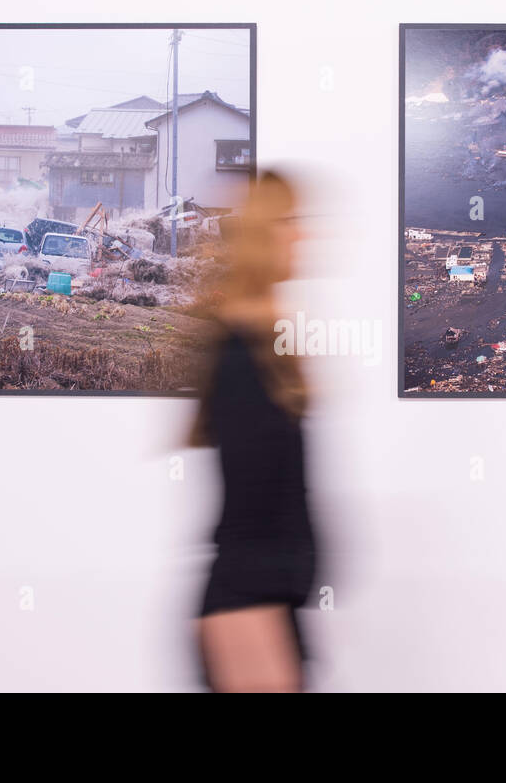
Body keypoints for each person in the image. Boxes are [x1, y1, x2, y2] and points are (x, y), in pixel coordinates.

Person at [188, 171, 317, 693]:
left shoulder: (269, 339)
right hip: (247, 606)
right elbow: (250, 506)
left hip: (269, 604)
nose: (303, 235)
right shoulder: (241, 350)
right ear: (265, 231)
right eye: (290, 221)